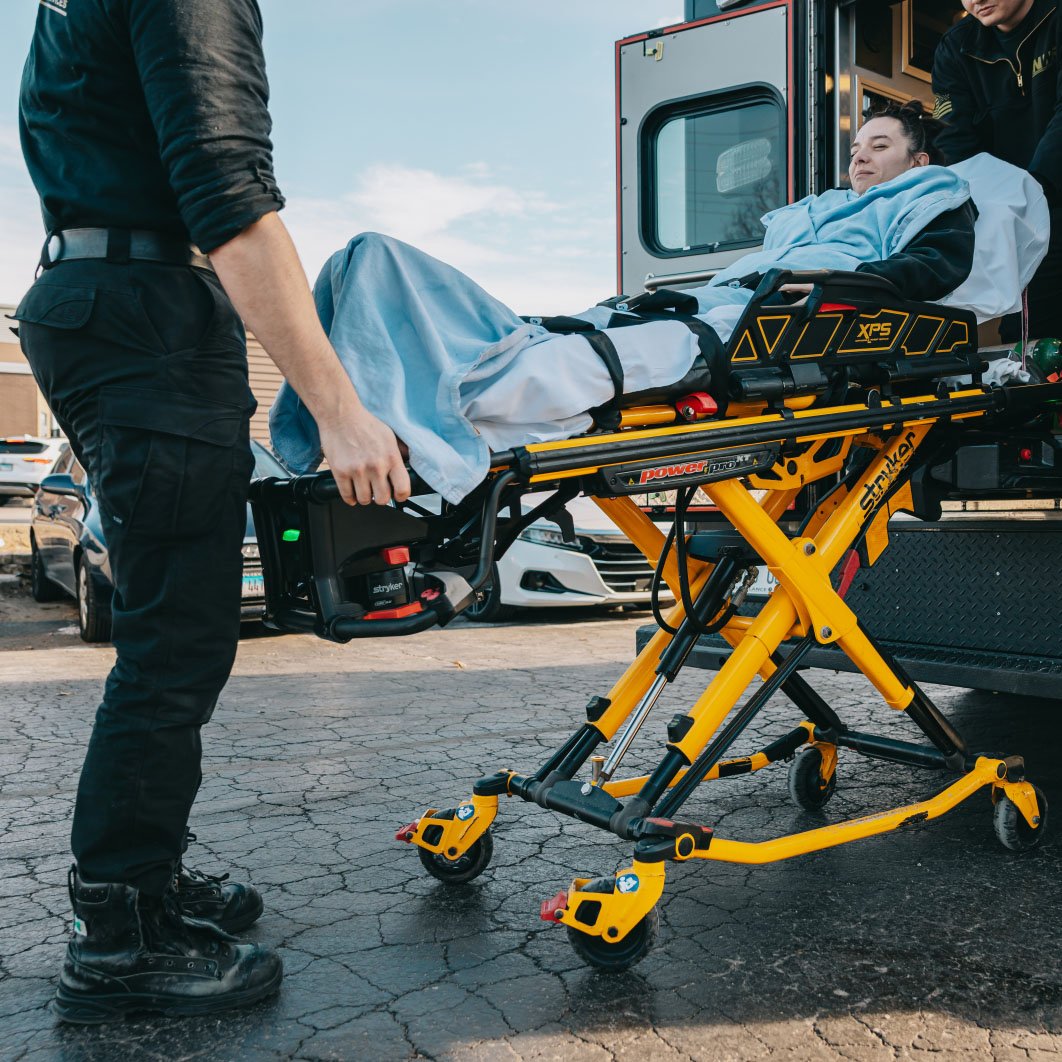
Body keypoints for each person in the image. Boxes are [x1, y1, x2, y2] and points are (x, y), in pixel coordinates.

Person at [14, 0, 409, 1023]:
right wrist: (340, 412)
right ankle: (121, 931)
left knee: (172, 634)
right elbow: (228, 192)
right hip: (144, 314)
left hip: (107, 297)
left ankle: (146, 877)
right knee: (174, 644)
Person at [272, 103, 979, 504]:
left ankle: (427, 424)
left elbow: (933, 272)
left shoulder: (933, 198)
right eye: (856, 146)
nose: (859, 157)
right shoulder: (810, 210)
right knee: (375, 257)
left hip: (775, 320)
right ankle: (383, 401)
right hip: (721, 300)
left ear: (917, 161)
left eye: (879, 145)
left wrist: (834, 289)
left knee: (592, 359)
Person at [932, 0, 1062, 340]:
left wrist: (1030, 193)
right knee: (1031, 344)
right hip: (1018, 221)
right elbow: (955, 142)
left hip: (1040, 196)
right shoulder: (955, 48)